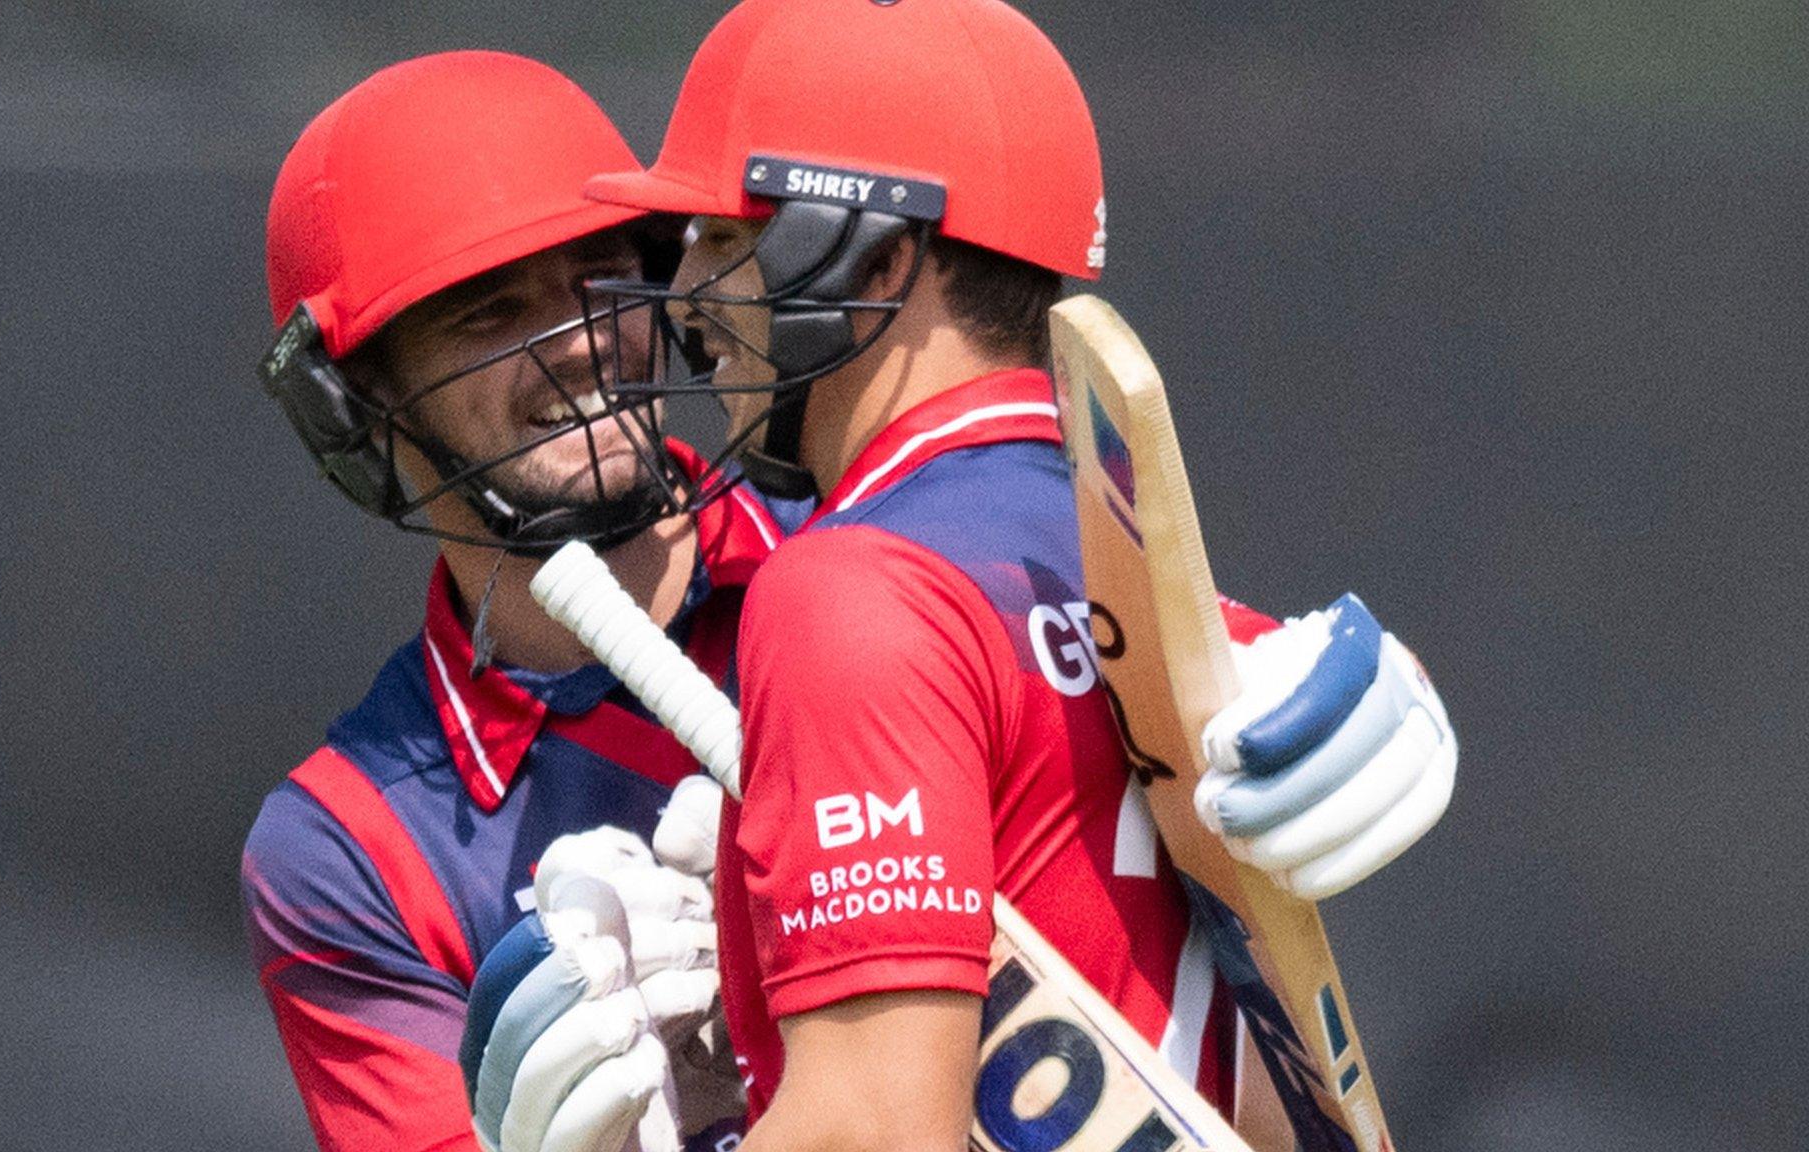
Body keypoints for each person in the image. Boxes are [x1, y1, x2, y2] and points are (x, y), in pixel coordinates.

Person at [573, 1, 1461, 1149]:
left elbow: (878, 1133)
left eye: (722, 243)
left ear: (872, 259)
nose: (686, 299)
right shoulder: (1095, 556)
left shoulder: (850, 588)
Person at [240, 52, 786, 1152]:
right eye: (489, 314)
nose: (582, 344)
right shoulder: (348, 844)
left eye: (600, 277)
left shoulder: (868, 553)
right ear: (362, 408)